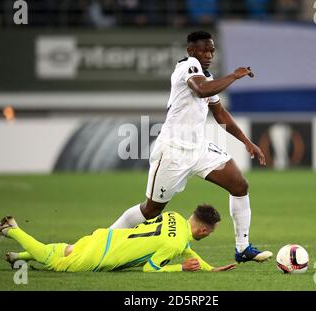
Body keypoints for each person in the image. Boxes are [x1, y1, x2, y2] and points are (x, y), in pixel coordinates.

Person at [110, 31, 272, 263]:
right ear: (191, 51)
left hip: (198, 148)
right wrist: (234, 76)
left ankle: (242, 248)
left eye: (212, 51)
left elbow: (220, 113)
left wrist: (247, 142)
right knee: (151, 210)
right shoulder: (187, 67)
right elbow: (202, 90)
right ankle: (106, 238)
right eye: (204, 50)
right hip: (173, 151)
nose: (208, 55)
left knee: (239, 184)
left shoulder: (207, 76)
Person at [0, 205, 236, 272]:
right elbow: (150, 270)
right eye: (209, 233)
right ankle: (12, 230)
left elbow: (187, 247)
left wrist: (209, 268)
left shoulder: (174, 217)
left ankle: (18, 257)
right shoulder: (175, 244)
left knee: (66, 250)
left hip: (106, 236)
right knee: (54, 263)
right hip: (104, 256)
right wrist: (179, 268)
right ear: (203, 230)